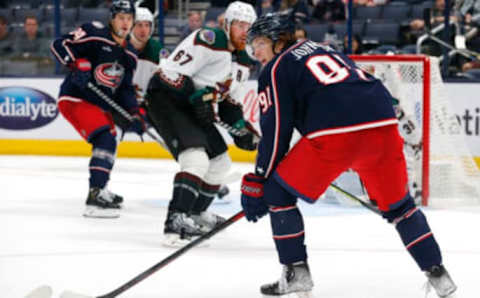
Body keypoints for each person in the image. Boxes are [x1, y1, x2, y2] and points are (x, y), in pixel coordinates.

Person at [241, 11, 457, 298]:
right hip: (383, 127)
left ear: (279, 41)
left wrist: (259, 178)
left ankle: (296, 272)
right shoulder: (327, 49)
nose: (255, 52)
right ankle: (438, 274)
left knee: (278, 195)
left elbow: (276, 129)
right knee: (401, 208)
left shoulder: (277, 67)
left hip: (334, 136)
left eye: (259, 43)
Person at [145, 1, 259, 246]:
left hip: (195, 109)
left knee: (220, 163)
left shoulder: (244, 62)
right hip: (166, 100)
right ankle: (175, 222)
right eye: (240, 25)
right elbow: (169, 75)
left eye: (249, 27)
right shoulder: (209, 40)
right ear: (227, 24)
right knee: (196, 158)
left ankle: (195, 214)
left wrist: (243, 132)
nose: (245, 32)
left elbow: (229, 106)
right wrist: (195, 97)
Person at [50, 0, 144, 218]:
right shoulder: (94, 33)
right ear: (112, 19)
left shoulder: (130, 54)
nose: (125, 23)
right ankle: (94, 197)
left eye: (129, 18)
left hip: (98, 105)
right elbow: (59, 44)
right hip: (75, 98)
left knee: (109, 138)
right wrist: (73, 63)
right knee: (105, 139)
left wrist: (134, 112)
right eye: (121, 18)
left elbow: (125, 89)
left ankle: (101, 189)